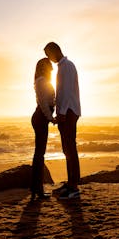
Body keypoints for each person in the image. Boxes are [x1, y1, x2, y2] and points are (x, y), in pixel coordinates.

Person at [44, 42, 81, 200]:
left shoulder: (66, 66)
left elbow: (65, 91)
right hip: (67, 111)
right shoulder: (63, 66)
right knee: (67, 149)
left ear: (55, 51)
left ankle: (74, 187)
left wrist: (62, 113)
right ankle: (70, 183)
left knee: (70, 148)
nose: (48, 58)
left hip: (69, 112)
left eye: (48, 54)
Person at [30, 58, 56, 200]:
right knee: (39, 154)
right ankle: (37, 189)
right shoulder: (41, 81)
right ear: (44, 67)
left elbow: (51, 101)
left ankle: (35, 188)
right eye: (49, 65)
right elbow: (42, 103)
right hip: (40, 118)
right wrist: (50, 118)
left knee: (39, 154)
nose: (52, 67)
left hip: (42, 118)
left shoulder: (44, 81)